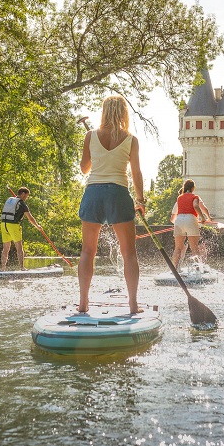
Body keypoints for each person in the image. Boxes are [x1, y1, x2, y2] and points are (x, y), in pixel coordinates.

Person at [77, 95, 146, 314]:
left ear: (104, 112)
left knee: (87, 251)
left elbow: (84, 168)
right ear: (123, 113)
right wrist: (141, 199)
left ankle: (83, 304)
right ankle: (133, 305)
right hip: (118, 193)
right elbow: (136, 172)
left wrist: (93, 150)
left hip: (94, 193)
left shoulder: (90, 135)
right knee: (129, 253)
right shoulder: (131, 139)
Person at [170, 179, 212, 269]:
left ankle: (174, 269)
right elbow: (196, 206)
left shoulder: (179, 197)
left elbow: (173, 217)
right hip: (191, 219)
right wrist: (204, 218)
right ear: (193, 188)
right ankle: (198, 270)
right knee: (194, 248)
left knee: (177, 248)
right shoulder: (195, 197)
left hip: (179, 220)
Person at [0, 187, 40, 271]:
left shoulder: (10, 200)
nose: (27, 198)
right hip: (13, 225)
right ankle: (22, 267)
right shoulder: (22, 204)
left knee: (6, 248)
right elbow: (30, 218)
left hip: (4, 224)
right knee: (19, 247)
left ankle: (3, 268)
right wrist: (37, 226)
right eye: (26, 196)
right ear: (23, 194)